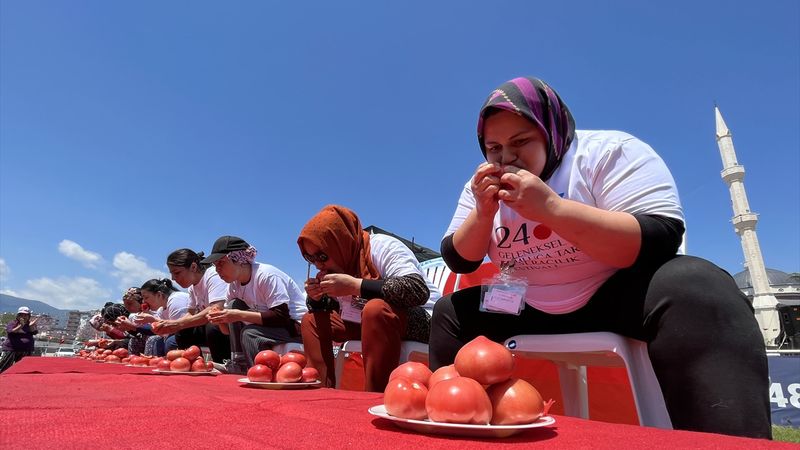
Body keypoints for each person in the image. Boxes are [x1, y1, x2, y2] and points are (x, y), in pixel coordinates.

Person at [429, 76, 771, 439]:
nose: (506, 157)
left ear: (552, 132)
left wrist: (552, 209)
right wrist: (483, 213)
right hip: (526, 303)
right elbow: (460, 259)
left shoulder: (608, 153)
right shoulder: (478, 186)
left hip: (612, 294)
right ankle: (455, 426)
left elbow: (658, 237)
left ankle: (727, 440)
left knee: (696, 286)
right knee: (451, 312)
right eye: (493, 147)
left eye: (521, 141)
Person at [298, 205, 442, 391]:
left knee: (375, 309)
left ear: (340, 243)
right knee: (311, 320)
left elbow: (417, 290)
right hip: (365, 321)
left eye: (323, 256)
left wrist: (355, 285)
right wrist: (316, 297)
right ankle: (319, 391)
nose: (318, 264)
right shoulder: (340, 265)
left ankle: (376, 395)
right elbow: (332, 307)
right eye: (310, 258)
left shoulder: (383, 246)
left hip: (423, 320)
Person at [203, 236, 307, 371]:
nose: (217, 270)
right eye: (215, 265)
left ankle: (258, 372)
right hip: (272, 326)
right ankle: (238, 363)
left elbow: (281, 317)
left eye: (221, 263)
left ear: (238, 260)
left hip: (296, 328)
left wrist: (240, 315)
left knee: (250, 333)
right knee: (234, 304)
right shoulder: (233, 286)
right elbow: (228, 331)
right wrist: (220, 319)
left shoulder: (267, 276)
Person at [159, 248, 231, 363]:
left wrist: (177, 323)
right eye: (172, 274)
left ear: (193, 267)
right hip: (212, 325)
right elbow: (190, 314)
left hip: (228, 326)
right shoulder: (192, 287)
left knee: (213, 325)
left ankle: (224, 363)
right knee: (183, 330)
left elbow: (216, 308)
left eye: (177, 273)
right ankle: (193, 363)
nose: (173, 278)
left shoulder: (213, 275)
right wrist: (171, 325)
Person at [139, 278, 191, 355]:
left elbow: (180, 329)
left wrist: (152, 319)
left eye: (146, 297)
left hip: (195, 330)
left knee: (171, 341)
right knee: (158, 342)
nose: (144, 302)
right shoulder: (161, 309)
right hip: (184, 332)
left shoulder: (176, 300)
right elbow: (161, 333)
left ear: (159, 295)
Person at [113, 288, 156, 355]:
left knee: (152, 339)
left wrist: (131, 326)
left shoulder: (153, 311)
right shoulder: (132, 316)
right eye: (125, 305)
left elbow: (154, 331)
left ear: (141, 301)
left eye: (130, 304)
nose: (127, 307)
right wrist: (127, 328)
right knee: (133, 340)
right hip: (143, 342)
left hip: (156, 339)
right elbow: (137, 334)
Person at [0, 307, 39, 372]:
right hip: (11, 350)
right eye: (21, 314)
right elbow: (11, 331)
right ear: (18, 315)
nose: (23, 316)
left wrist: (31, 326)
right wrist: (21, 325)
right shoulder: (13, 323)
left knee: (22, 370)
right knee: (4, 368)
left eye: (26, 315)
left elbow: (34, 332)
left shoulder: (30, 324)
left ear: (29, 316)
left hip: (26, 350)